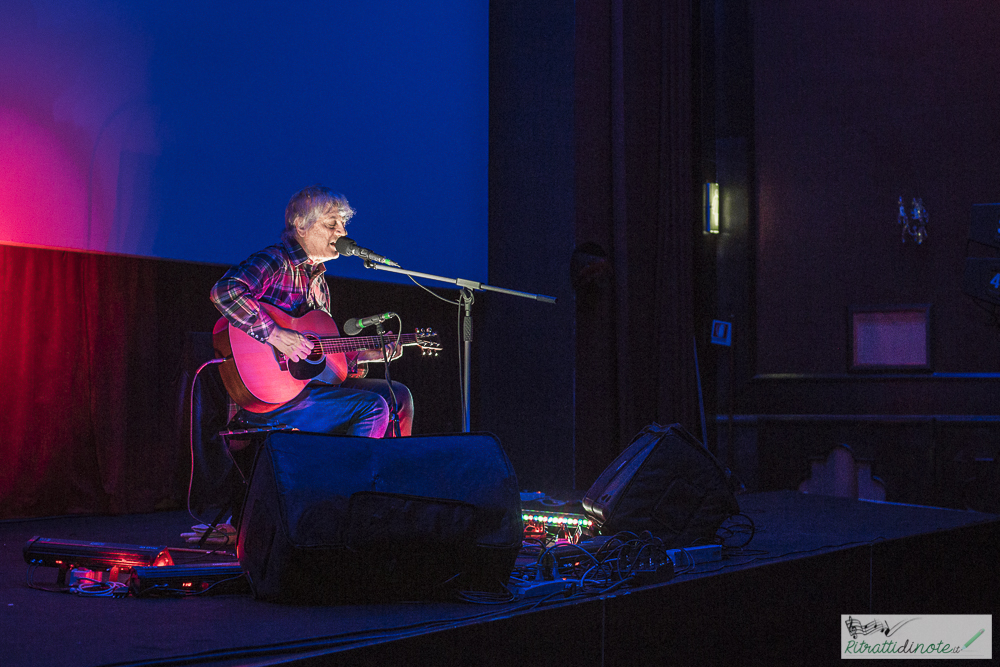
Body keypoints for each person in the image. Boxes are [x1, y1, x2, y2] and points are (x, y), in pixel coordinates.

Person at [210, 185, 413, 438]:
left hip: (304, 390)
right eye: (332, 225)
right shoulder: (276, 260)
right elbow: (225, 292)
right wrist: (276, 335)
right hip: (266, 399)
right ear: (301, 226)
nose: (343, 232)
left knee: (399, 396)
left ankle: (389, 473)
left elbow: (322, 364)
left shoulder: (320, 284)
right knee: (372, 407)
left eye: (343, 225)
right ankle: (352, 477)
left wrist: (365, 355)